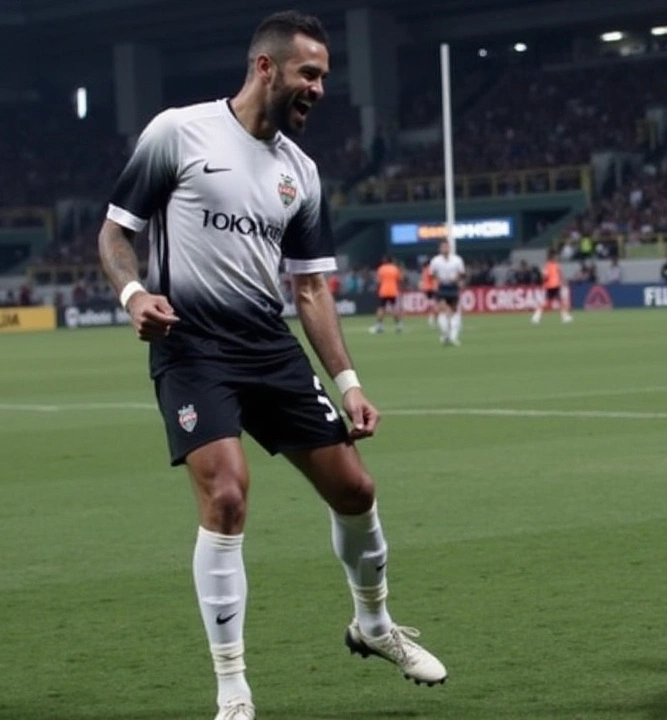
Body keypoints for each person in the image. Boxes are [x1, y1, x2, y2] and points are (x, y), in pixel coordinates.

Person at [95, 12, 446, 720]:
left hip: (267, 344)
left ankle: (373, 625)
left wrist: (349, 384)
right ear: (266, 68)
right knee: (226, 495)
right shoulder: (177, 132)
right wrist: (133, 294)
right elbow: (113, 233)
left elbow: (310, 288)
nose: (318, 88)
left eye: (323, 76)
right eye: (308, 74)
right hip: (190, 345)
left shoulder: (301, 172)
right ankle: (234, 692)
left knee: (355, 490)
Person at [429, 240, 465, 346]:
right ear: (439, 249)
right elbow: (431, 274)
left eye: (447, 247)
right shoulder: (435, 260)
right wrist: (438, 278)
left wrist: (456, 278)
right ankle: (445, 334)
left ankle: (453, 337)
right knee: (442, 309)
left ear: (449, 248)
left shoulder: (457, 260)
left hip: (453, 287)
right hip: (442, 287)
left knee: (454, 310)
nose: (445, 249)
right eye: (443, 247)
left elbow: (462, 273)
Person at [532, 249, 573, 324]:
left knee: (557, 302)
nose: (556, 258)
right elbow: (544, 276)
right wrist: (544, 281)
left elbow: (560, 274)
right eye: (555, 256)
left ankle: (537, 315)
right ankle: (564, 317)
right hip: (551, 286)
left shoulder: (556, 265)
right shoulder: (547, 265)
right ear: (552, 257)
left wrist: (562, 281)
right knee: (551, 303)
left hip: (556, 285)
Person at [370, 255, 404, 334]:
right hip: (393, 290)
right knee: (394, 308)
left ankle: (379, 326)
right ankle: (398, 325)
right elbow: (400, 279)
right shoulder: (395, 269)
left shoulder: (381, 269)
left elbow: (378, 281)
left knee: (381, 308)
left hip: (383, 291)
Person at [419, 259, 437, 327]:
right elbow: (431, 277)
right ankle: (432, 318)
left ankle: (431, 317)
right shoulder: (429, 269)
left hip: (426, 289)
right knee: (434, 304)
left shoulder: (424, 270)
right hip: (431, 288)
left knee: (431, 304)